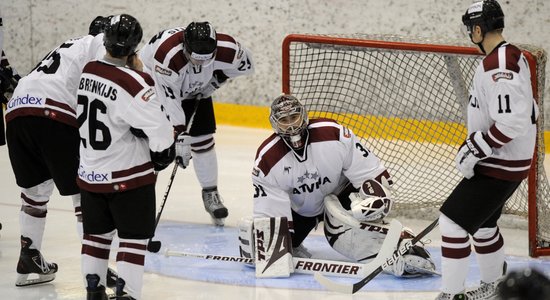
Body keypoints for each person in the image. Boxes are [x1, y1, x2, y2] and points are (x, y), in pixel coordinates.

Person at [241, 94, 436, 277]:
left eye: (295, 117)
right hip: (301, 210)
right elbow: (270, 213)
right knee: (266, 249)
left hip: (341, 196)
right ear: (275, 124)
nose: (291, 125)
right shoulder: (268, 159)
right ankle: (294, 243)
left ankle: (400, 250)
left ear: (304, 114)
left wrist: (375, 201)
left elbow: (370, 172)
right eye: (284, 120)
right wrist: (273, 254)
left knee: (345, 237)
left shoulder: (333, 134)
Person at [436, 1, 539, 299]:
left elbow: (512, 121)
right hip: (509, 161)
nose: (470, 34)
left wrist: (476, 148)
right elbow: (528, 109)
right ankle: (494, 284)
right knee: (483, 224)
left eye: (471, 29)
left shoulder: (498, 65)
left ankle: (451, 294)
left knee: (452, 223)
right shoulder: (511, 55)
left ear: (478, 30)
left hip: (501, 162)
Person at [5, 16, 109, 287]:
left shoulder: (66, 47)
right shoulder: (97, 45)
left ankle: (29, 256)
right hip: (53, 115)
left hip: (17, 112)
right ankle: (96, 272)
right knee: (83, 195)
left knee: (35, 193)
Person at [77, 14, 175, 300]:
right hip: (127, 178)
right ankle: (128, 294)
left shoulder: (88, 70)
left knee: (95, 237)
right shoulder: (135, 82)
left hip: (89, 175)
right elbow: (159, 130)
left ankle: (93, 290)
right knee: (133, 240)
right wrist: (161, 156)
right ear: (135, 47)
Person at [139, 21, 255, 226]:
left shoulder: (228, 49)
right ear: (185, 46)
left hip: (195, 87)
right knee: (155, 143)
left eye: (206, 60)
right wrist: (180, 135)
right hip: (154, 85)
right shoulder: (168, 55)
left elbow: (246, 66)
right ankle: (141, 198)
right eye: (195, 58)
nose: (200, 63)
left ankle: (211, 193)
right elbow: (169, 99)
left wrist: (217, 79)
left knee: (203, 138)